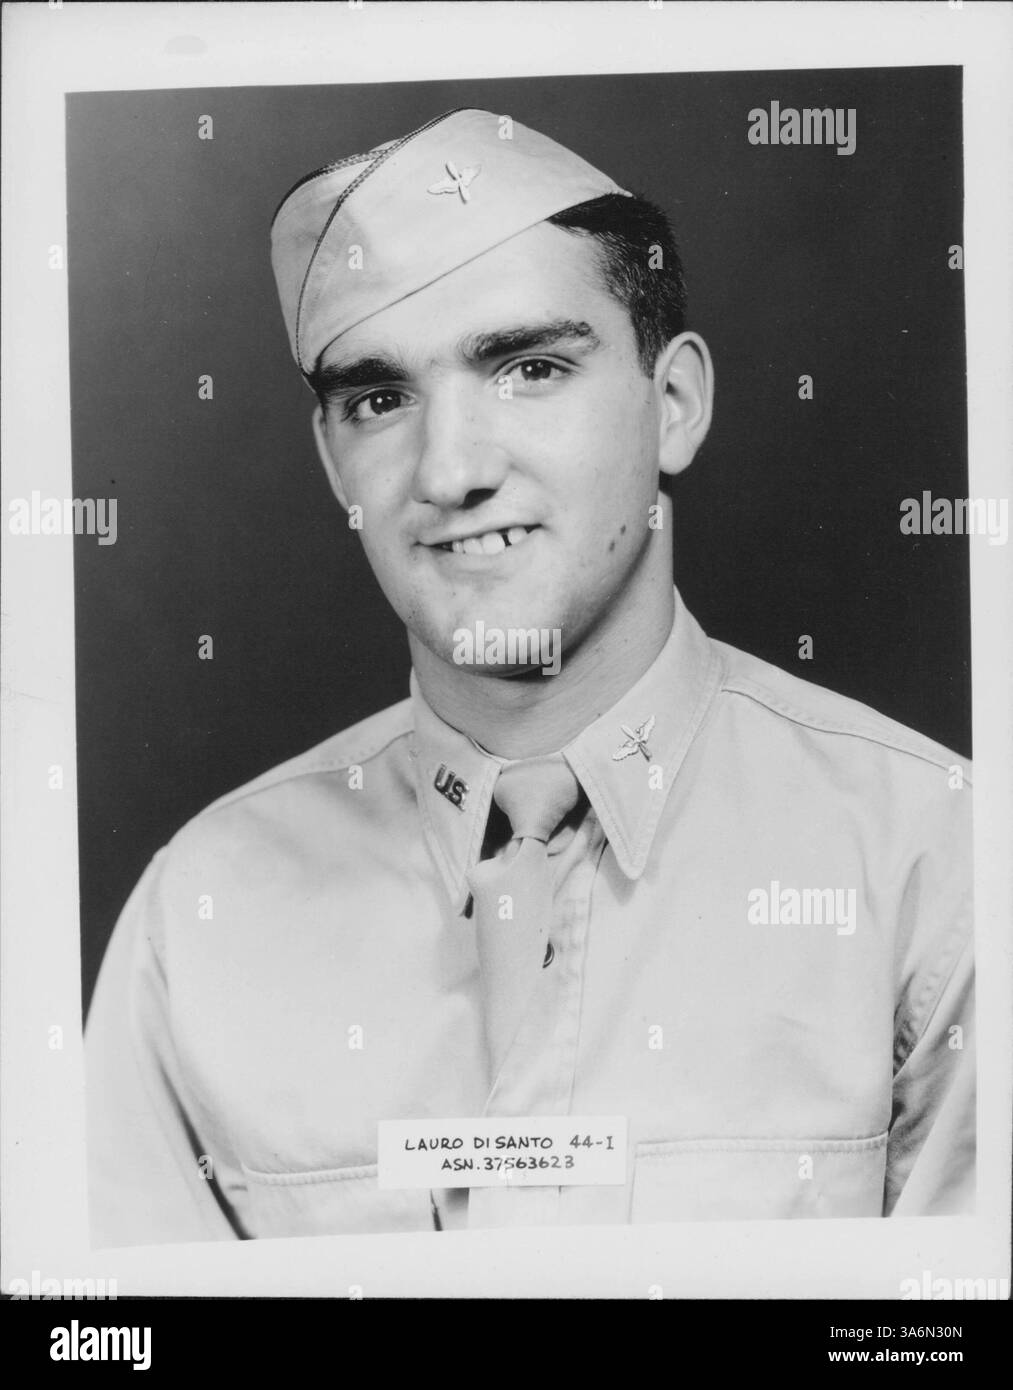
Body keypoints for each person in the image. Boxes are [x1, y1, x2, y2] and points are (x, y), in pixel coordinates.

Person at [86, 108, 974, 1244]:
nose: (450, 469)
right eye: (377, 399)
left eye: (529, 367)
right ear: (329, 458)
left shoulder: (932, 866)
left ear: (673, 404)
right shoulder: (199, 918)